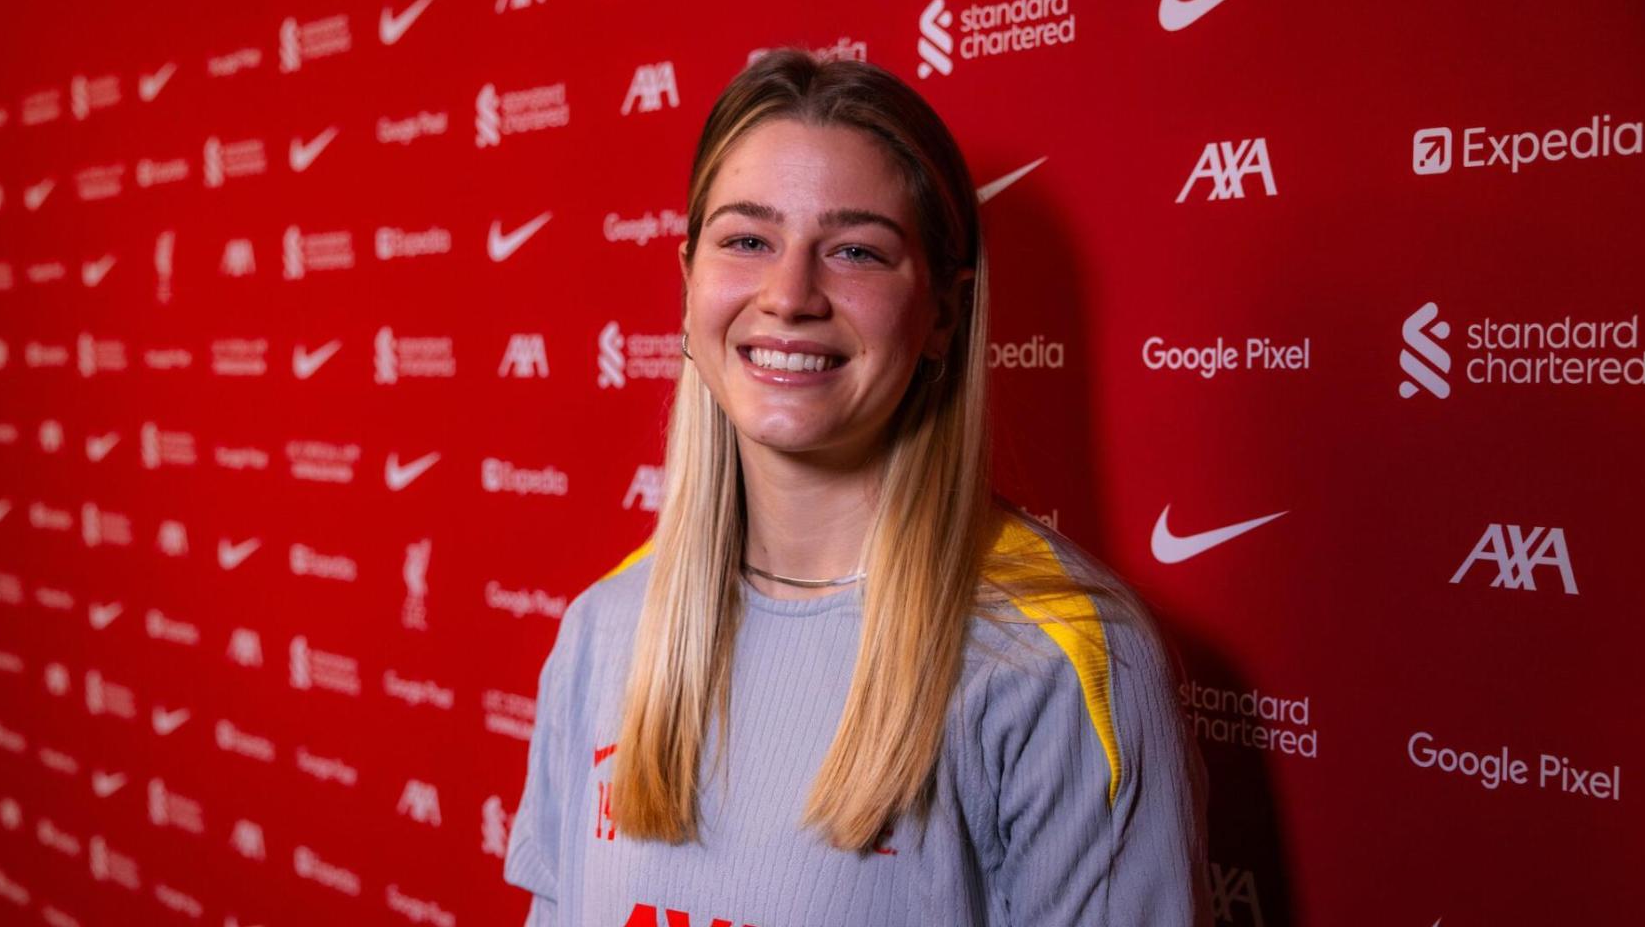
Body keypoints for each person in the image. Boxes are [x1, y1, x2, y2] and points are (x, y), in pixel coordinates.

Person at [503, 48, 1210, 926]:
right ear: (689, 283)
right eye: (748, 239)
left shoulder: (1051, 662)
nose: (790, 294)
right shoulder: (603, 629)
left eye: (856, 252)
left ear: (943, 314)